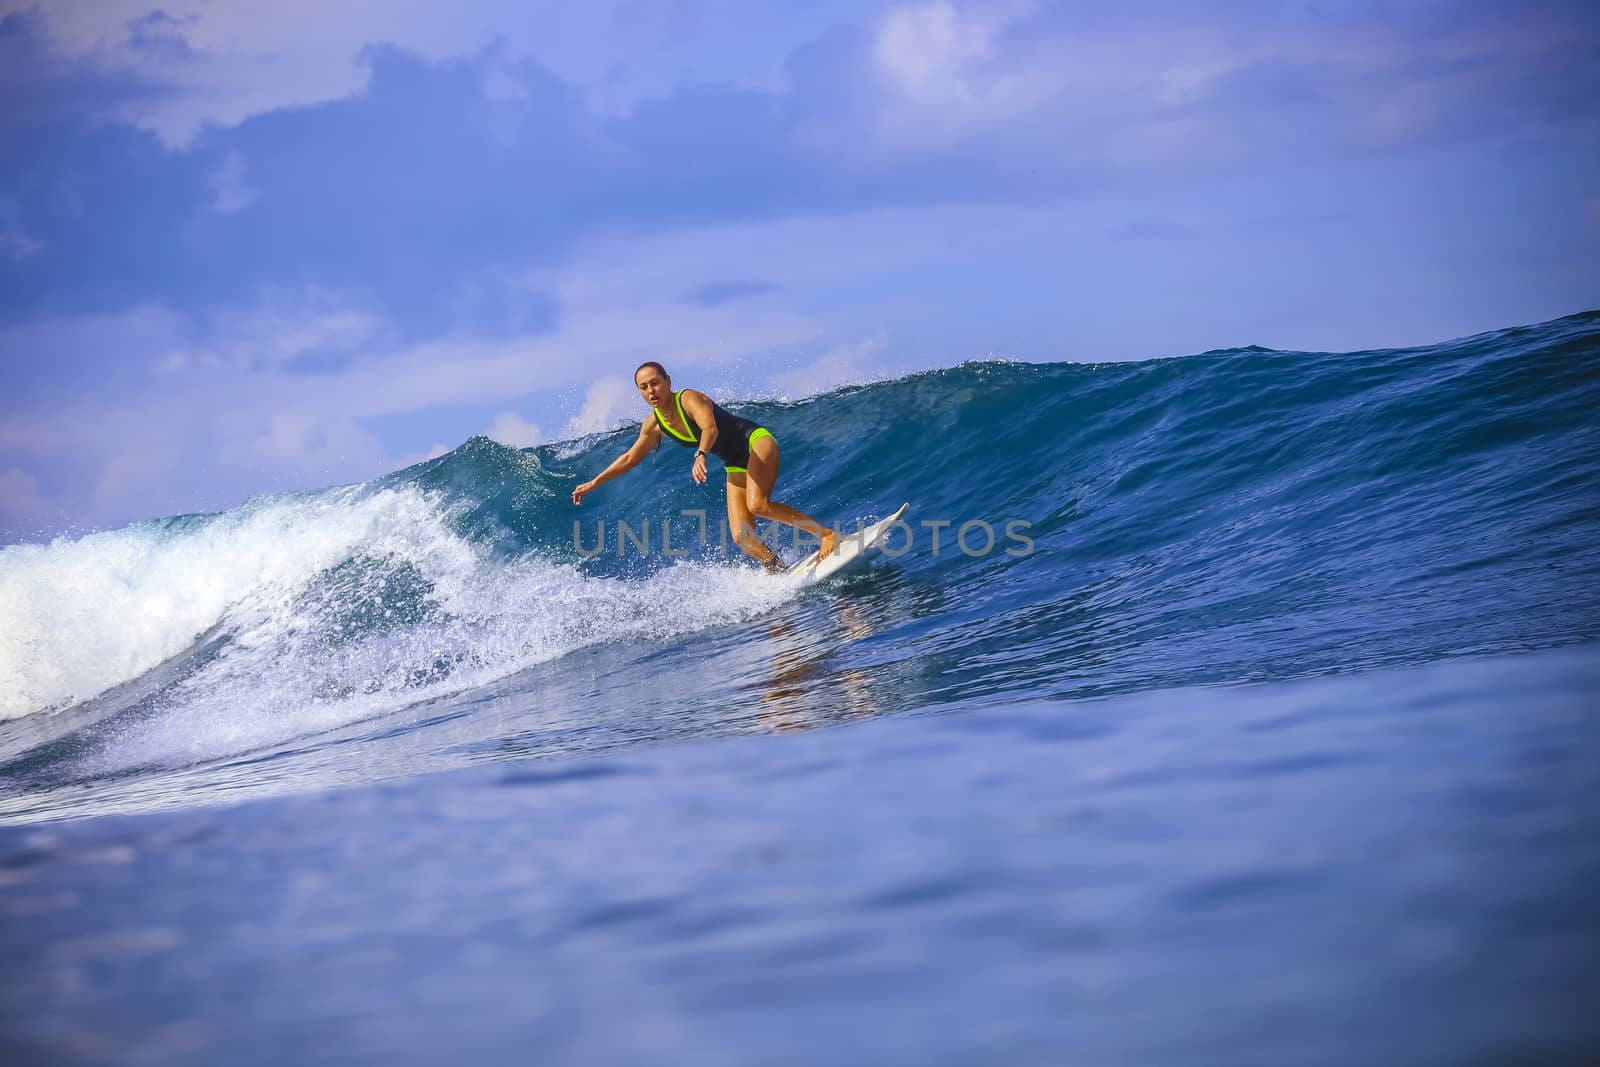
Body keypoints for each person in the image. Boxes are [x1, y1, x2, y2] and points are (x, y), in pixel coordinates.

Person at [571, 362, 839, 570]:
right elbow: (630, 458)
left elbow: (709, 428)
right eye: (644, 387)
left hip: (754, 441)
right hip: (735, 462)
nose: (651, 391)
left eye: (655, 383)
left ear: (668, 381)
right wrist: (595, 482)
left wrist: (700, 455)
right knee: (742, 537)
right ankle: (776, 567)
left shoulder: (688, 399)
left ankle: (826, 535)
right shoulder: (653, 425)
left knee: (759, 504)